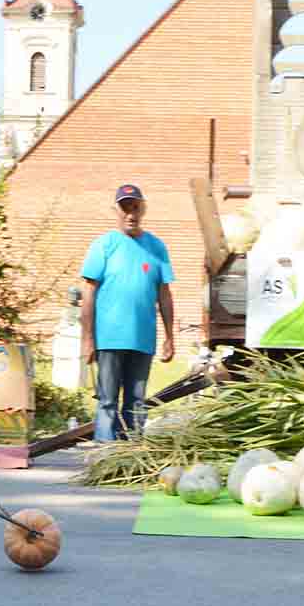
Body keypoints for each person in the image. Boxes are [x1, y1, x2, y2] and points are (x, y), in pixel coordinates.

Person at [80, 184, 176, 442]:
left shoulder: (156, 247)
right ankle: (104, 453)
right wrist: (87, 338)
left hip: (142, 338)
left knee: (136, 401)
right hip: (109, 338)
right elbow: (88, 292)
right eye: (125, 207)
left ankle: (130, 456)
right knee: (107, 400)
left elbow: (164, 294)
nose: (130, 214)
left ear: (142, 209)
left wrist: (169, 336)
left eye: (135, 207)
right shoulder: (104, 245)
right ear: (117, 210)